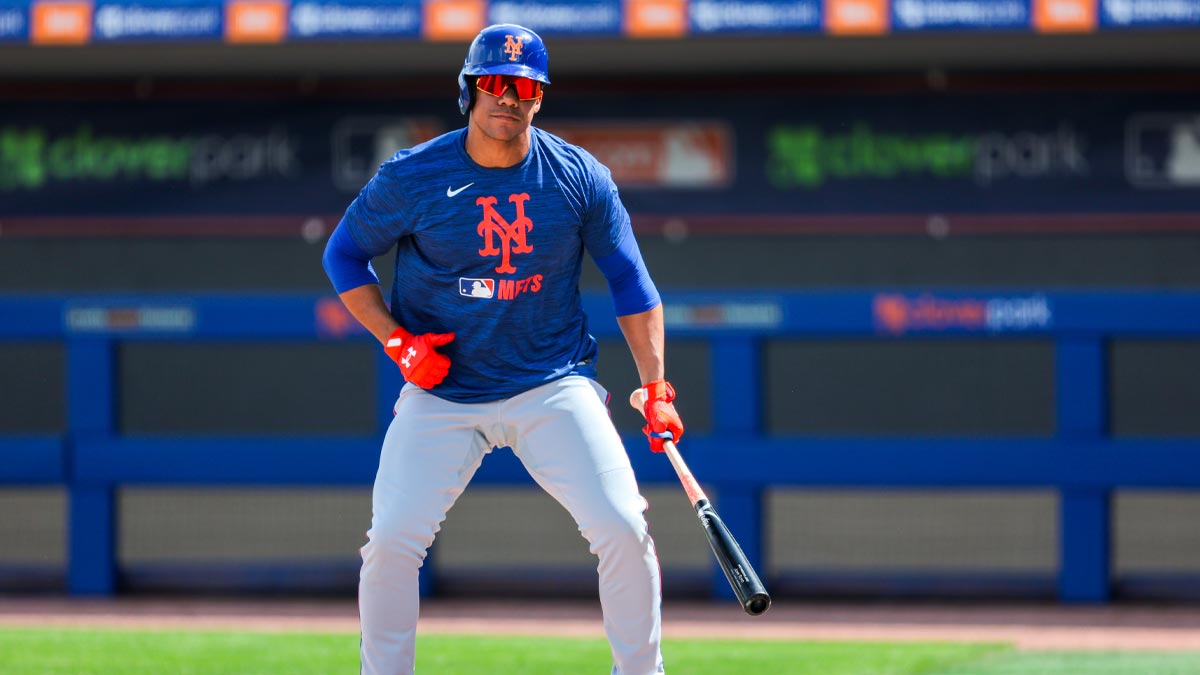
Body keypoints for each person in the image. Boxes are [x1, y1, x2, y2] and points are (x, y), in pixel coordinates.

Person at [321, 23, 685, 675]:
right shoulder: (413, 176)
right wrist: (396, 341)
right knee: (392, 542)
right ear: (469, 91)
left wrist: (655, 385)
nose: (507, 96)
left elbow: (631, 279)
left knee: (624, 526)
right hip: (442, 388)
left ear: (538, 98)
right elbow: (343, 255)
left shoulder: (578, 176)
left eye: (522, 86)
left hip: (551, 380)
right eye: (493, 82)